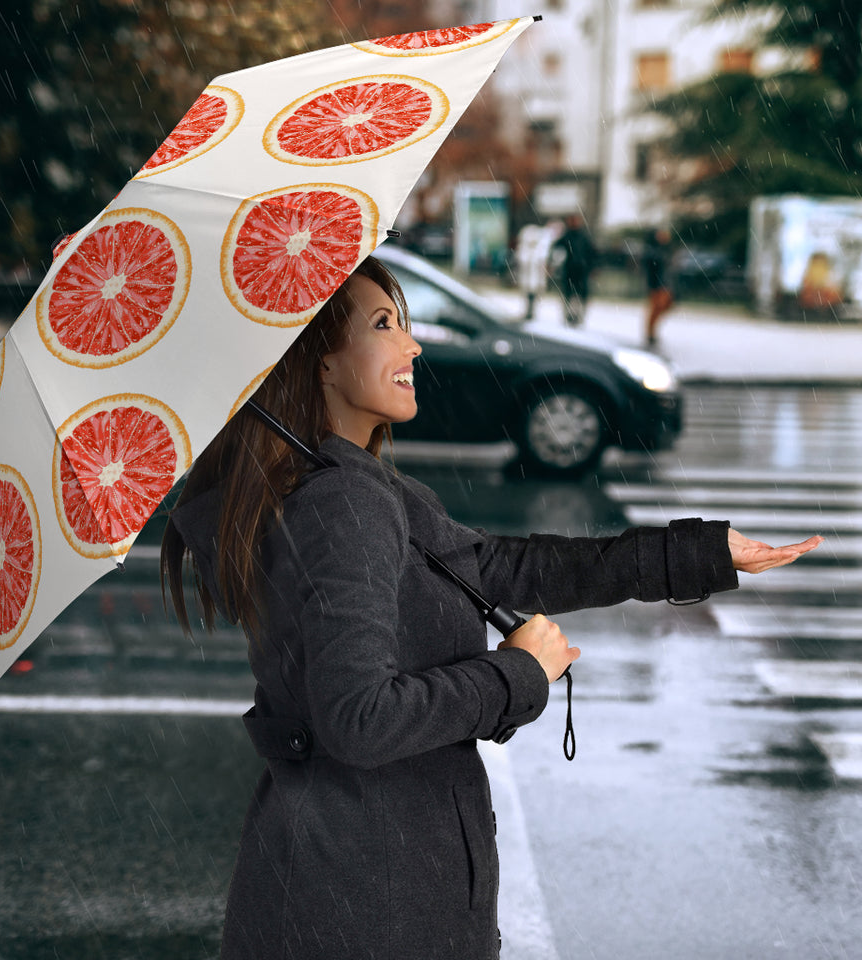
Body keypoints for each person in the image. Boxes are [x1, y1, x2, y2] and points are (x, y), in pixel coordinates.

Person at [160, 256, 821, 960]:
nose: (412, 345)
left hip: (354, 883)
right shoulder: (342, 504)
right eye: (384, 325)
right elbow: (358, 719)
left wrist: (698, 554)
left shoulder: (349, 487)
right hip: (369, 902)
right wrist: (516, 673)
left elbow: (505, 567)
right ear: (319, 362)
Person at [550, 213, 597, 327]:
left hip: (581, 271)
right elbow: (556, 249)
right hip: (570, 270)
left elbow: (592, 253)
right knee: (569, 294)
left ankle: (577, 316)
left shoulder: (583, 237)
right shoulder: (567, 236)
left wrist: (592, 267)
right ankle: (569, 315)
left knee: (579, 295)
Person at [643, 226, 675, 347]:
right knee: (656, 308)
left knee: (664, 306)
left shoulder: (665, 249)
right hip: (657, 284)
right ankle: (650, 333)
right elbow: (652, 265)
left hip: (665, 283)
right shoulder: (653, 250)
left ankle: (652, 331)